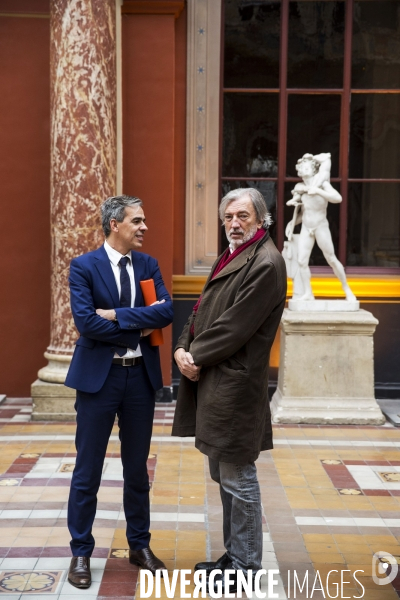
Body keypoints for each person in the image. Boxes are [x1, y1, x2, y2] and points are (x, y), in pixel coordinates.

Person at [172, 187, 287, 594]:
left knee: (239, 476)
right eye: (228, 218)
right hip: (214, 377)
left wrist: (194, 355)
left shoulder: (267, 262)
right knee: (223, 474)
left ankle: (247, 565)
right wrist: (183, 347)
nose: (234, 224)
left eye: (243, 216)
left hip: (234, 384)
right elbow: (202, 309)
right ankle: (233, 557)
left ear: (262, 219)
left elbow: (235, 326)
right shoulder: (234, 254)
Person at [65, 195, 173, 589]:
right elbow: (87, 324)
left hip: (139, 380)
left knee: (137, 469)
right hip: (98, 380)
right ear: (115, 224)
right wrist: (136, 328)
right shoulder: (84, 266)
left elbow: (166, 311)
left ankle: (139, 546)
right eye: (137, 221)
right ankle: (80, 552)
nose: (144, 227)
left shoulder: (148, 265)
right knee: (87, 470)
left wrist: (118, 316)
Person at [286, 153, 356, 301]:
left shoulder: (322, 184)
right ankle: (308, 293)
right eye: (301, 168)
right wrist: (292, 223)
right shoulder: (301, 187)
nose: (302, 170)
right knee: (301, 261)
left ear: (313, 170)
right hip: (306, 226)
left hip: (320, 226)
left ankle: (346, 289)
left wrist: (317, 191)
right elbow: (304, 211)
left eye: (306, 167)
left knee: (331, 258)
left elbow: (338, 198)